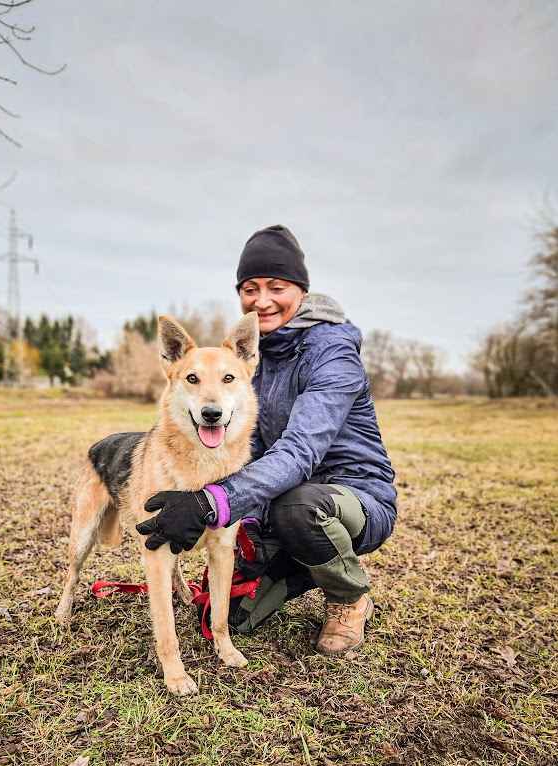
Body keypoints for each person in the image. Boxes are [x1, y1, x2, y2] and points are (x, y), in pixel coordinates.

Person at [136, 225, 396, 655]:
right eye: (250, 288)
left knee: (302, 508)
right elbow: (238, 443)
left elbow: (299, 453)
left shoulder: (333, 353)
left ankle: (349, 597)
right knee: (235, 618)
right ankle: (300, 563)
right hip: (278, 501)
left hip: (350, 499)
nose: (262, 300)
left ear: (302, 290)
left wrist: (211, 502)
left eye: (277, 287)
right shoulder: (248, 357)